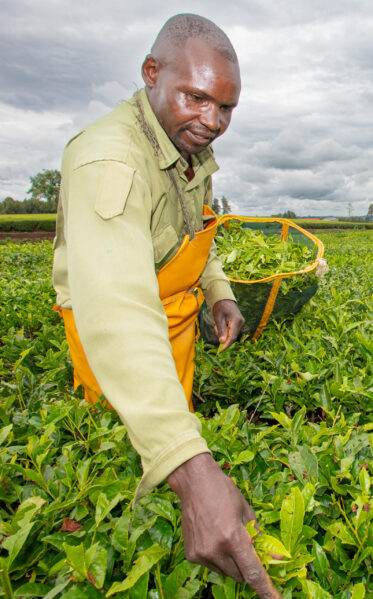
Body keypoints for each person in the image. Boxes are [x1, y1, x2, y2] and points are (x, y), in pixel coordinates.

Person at [53, 13, 282, 598]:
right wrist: (190, 467)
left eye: (227, 108)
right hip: (112, 323)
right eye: (197, 97)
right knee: (122, 441)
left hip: (173, 309)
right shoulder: (111, 160)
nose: (213, 122)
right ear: (151, 73)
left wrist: (219, 291)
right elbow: (120, 313)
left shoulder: (187, 148)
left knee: (171, 414)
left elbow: (193, 231)